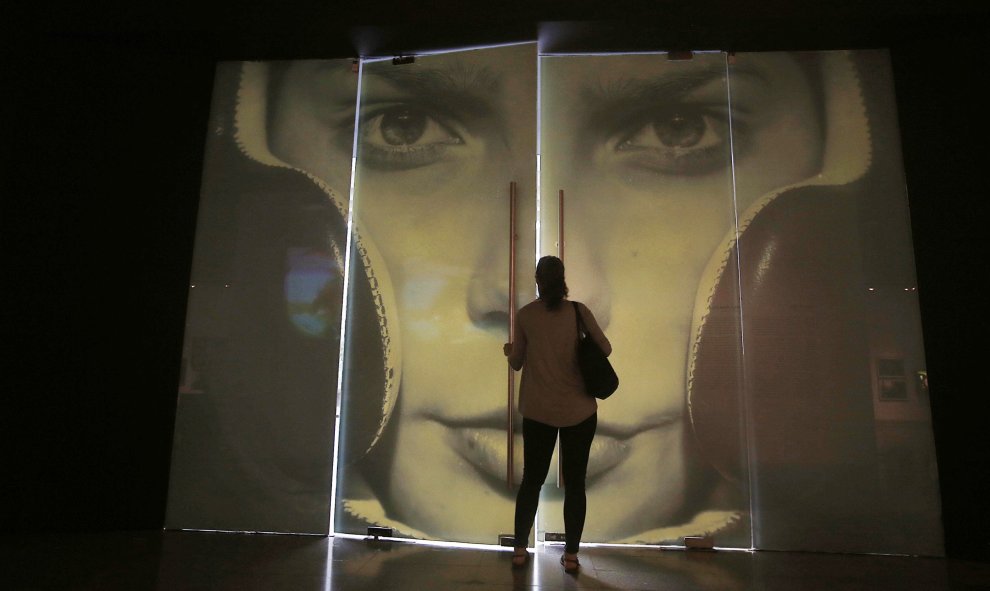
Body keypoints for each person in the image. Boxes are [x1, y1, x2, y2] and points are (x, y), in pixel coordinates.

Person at [168, 44, 943, 556]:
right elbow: (597, 358)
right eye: (402, 126)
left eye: (680, 128)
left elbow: (531, 352)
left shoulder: (541, 323)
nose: (501, 289)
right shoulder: (578, 319)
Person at [502, 255, 611, 571]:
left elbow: (518, 362)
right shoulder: (578, 312)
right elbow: (605, 349)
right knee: (576, 483)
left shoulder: (526, 316)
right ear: (563, 280)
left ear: (538, 279)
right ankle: (573, 556)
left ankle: (520, 549)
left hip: (538, 411)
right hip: (579, 410)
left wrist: (510, 351)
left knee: (531, 481)